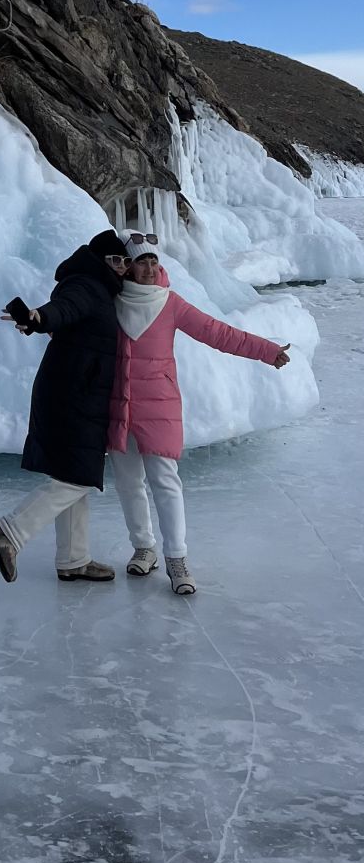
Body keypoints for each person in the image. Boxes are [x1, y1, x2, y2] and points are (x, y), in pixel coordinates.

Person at [110, 233, 290, 595]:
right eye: (141, 261)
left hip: (159, 405)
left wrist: (266, 350)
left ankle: (177, 558)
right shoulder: (111, 302)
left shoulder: (171, 303)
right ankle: (144, 548)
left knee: (164, 481)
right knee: (128, 483)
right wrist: (35, 319)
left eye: (154, 262)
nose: (149, 268)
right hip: (117, 405)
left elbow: (219, 334)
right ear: (127, 267)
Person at [0, 229, 128, 584]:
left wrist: (40, 322)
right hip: (72, 396)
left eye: (124, 261)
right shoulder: (88, 285)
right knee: (79, 476)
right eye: (114, 260)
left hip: (75, 392)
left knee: (71, 474)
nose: (121, 268)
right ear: (98, 261)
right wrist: (37, 319)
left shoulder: (100, 290)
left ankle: (73, 559)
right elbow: (64, 309)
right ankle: (11, 532)